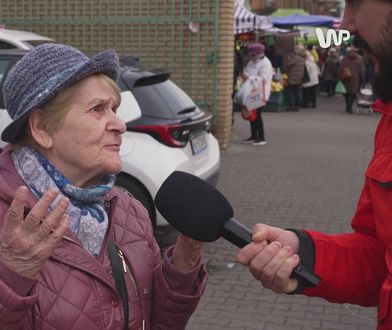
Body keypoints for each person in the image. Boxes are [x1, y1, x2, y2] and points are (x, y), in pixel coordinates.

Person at [0, 44, 207, 329]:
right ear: (42, 129)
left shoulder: (129, 210)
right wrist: (12, 275)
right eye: (98, 109)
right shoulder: (7, 217)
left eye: (114, 109)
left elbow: (156, 321)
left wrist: (183, 267)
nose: (120, 124)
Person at [237, 1, 392, 328]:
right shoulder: (388, 123)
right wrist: (304, 253)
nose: (346, 24)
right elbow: (381, 260)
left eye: (357, 3)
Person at [241, 43, 273, 146]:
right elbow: (246, 71)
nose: (251, 56)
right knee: (252, 114)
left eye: (253, 54)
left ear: (259, 53)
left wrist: (249, 78)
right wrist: (245, 75)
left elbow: (264, 78)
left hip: (260, 92)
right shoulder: (251, 62)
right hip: (251, 91)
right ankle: (253, 136)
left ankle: (261, 138)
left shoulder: (266, 63)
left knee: (258, 115)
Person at [339, 46, 365, 113]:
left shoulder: (345, 59)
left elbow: (340, 68)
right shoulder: (359, 60)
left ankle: (347, 105)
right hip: (356, 79)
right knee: (352, 93)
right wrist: (362, 78)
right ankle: (350, 106)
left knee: (347, 93)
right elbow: (362, 71)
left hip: (346, 78)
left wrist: (340, 76)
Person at [283, 45, 306, 112]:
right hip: (299, 77)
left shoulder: (295, 58)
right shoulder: (303, 57)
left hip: (293, 77)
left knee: (291, 92)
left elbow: (288, 64)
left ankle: (291, 106)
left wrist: (288, 58)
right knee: (297, 92)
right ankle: (297, 106)